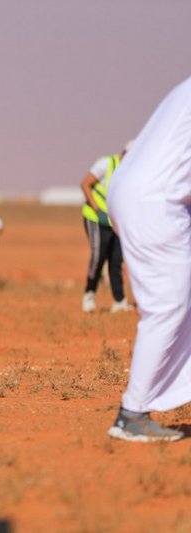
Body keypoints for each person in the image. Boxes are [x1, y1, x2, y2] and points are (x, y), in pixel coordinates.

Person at [106, 75, 191, 442]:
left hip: (140, 194)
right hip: (156, 203)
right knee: (167, 305)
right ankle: (132, 414)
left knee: (174, 302)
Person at [80, 143, 133, 313]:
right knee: (98, 255)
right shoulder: (106, 164)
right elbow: (85, 184)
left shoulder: (130, 172)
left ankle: (119, 300)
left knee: (116, 260)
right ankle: (89, 294)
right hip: (95, 218)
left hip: (115, 221)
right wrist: (98, 210)